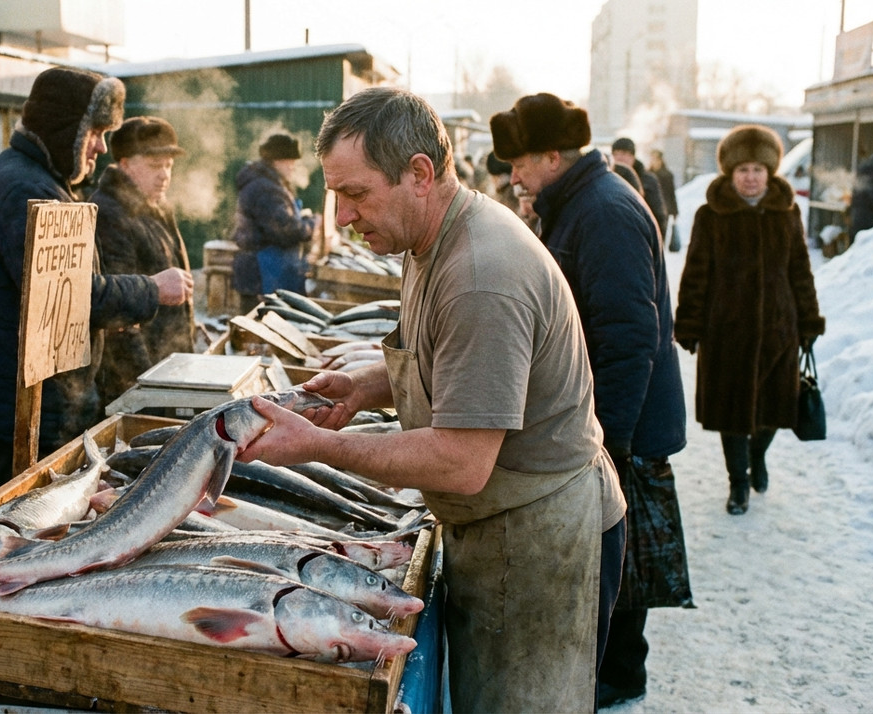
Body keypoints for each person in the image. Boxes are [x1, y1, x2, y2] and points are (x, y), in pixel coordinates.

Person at [238, 86, 626, 713]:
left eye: (356, 194)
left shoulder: (481, 275)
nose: (340, 217)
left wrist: (319, 446)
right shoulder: (432, 237)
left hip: (540, 537)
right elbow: (464, 365)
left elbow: (460, 461)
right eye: (335, 195)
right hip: (501, 523)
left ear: (419, 173)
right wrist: (369, 386)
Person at [493, 93, 691, 709]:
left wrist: (609, 438)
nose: (513, 175)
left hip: (622, 421)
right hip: (607, 416)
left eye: (521, 162)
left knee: (622, 552)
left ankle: (620, 673)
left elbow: (629, 339)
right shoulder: (577, 204)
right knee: (611, 546)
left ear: (554, 156)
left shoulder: (604, 212)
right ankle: (611, 664)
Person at [0, 67, 193, 495]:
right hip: (14, 406)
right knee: (19, 525)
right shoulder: (24, 188)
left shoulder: (43, 180)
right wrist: (152, 289)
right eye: (95, 131)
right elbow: (69, 296)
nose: (101, 145)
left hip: (33, 401)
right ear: (65, 128)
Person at [674, 124, 825, 515]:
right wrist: (689, 324)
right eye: (743, 170)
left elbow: (800, 271)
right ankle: (737, 482)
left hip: (779, 329)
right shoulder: (711, 215)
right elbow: (696, 272)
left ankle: (758, 456)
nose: (751, 177)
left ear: (770, 171)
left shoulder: (787, 214)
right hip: (726, 331)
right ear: (730, 172)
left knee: (775, 407)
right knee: (732, 412)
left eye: (758, 169)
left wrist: (808, 323)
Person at [89, 116, 196, 408]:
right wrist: (145, 390)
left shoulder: (157, 206)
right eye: (154, 166)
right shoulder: (110, 215)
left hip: (168, 366)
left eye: (168, 166)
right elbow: (118, 320)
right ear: (124, 164)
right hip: (140, 380)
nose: (164, 175)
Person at [230, 133, 320, 313]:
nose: (293, 167)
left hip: (263, 274)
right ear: (277, 161)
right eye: (290, 162)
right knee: (259, 330)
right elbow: (286, 230)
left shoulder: (269, 183)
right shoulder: (266, 189)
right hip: (262, 277)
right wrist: (312, 225)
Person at [612, 137, 668, 230]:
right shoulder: (608, 179)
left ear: (632, 156)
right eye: (616, 154)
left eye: (624, 154)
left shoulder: (648, 179)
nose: (619, 158)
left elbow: (658, 214)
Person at [649, 149, 680, 249]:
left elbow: (671, 193)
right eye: (652, 158)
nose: (654, 161)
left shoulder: (667, 175)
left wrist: (675, 211)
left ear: (661, 160)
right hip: (650, 208)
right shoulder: (647, 174)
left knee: (661, 239)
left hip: (664, 210)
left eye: (656, 159)